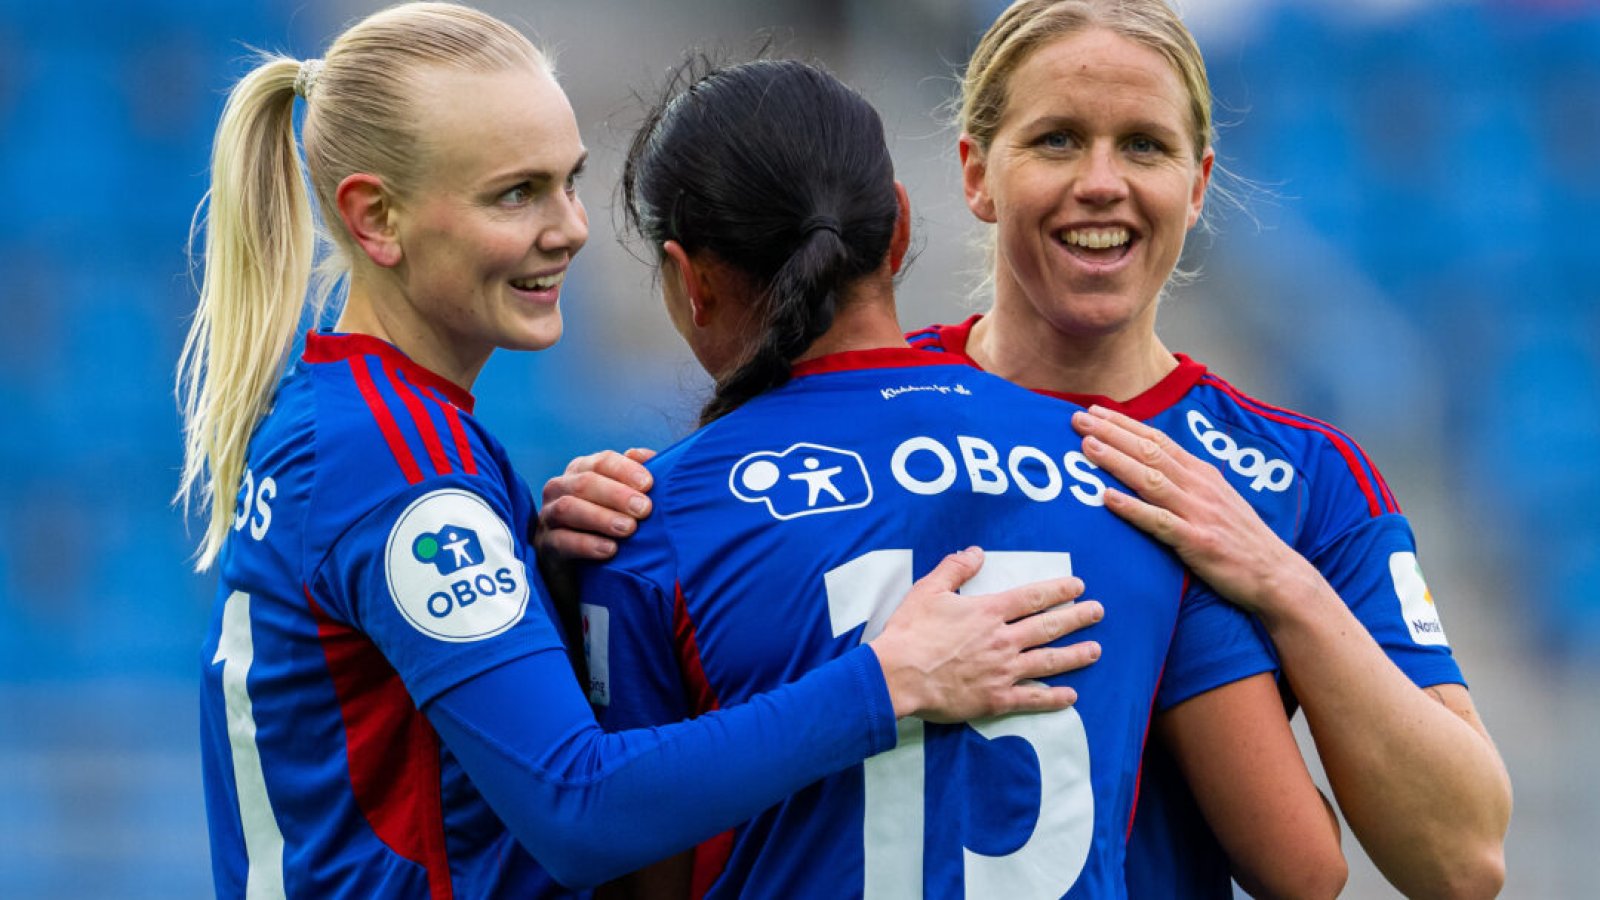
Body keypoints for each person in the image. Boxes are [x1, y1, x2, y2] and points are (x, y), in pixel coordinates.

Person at [541, 1, 1512, 896]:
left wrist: (1279, 579)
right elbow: (1305, 868)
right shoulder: (865, 406)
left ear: (1197, 181)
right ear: (972, 174)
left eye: (1143, 145)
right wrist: (602, 507)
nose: (1101, 182)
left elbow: (1462, 863)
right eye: (1056, 140)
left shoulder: (1299, 475)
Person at [174, 4, 1106, 897]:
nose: (571, 229)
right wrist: (887, 682)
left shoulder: (379, 427)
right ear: (377, 219)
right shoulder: (397, 461)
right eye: (516, 195)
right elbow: (579, 805)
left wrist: (543, 575)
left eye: (569, 180)